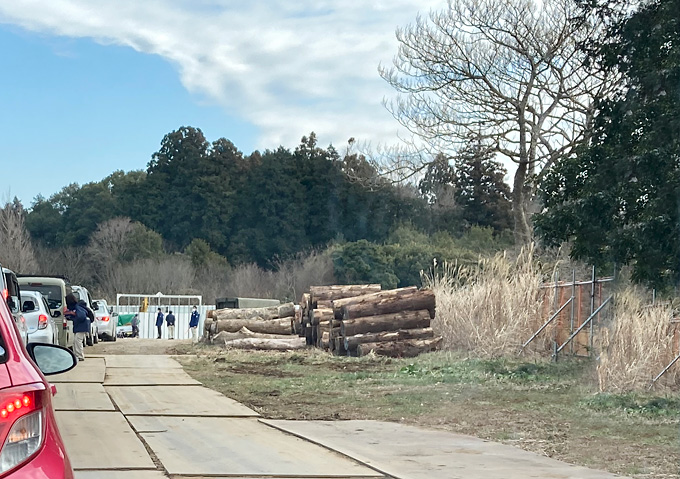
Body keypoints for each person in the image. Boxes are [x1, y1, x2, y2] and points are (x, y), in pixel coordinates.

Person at [64, 293, 88, 361]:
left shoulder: (77, 307)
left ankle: (80, 355)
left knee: (78, 341)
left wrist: (73, 316)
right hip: (81, 326)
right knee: (76, 341)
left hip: (81, 326)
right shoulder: (77, 307)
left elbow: (81, 316)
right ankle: (76, 354)